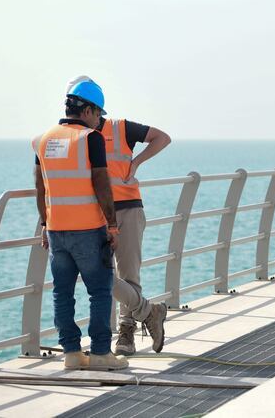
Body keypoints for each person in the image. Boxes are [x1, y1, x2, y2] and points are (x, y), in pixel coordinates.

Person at [66, 76, 170, 355]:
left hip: (127, 209)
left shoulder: (120, 128)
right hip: (94, 214)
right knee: (98, 276)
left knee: (128, 272)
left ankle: (126, 334)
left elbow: (163, 137)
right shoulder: (74, 134)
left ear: (91, 108)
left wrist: (136, 163)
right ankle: (149, 312)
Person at [33, 81, 128, 370]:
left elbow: (40, 188)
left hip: (57, 230)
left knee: (62, 293)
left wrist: (45, 224)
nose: (100, 121)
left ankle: (72, 354)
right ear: (86, 110)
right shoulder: (91, 138)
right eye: (98, 114)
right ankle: (100, 354)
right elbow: (101, 182)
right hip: (89, 229)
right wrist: (112, 225)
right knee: (99, 291)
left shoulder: (43, 139)